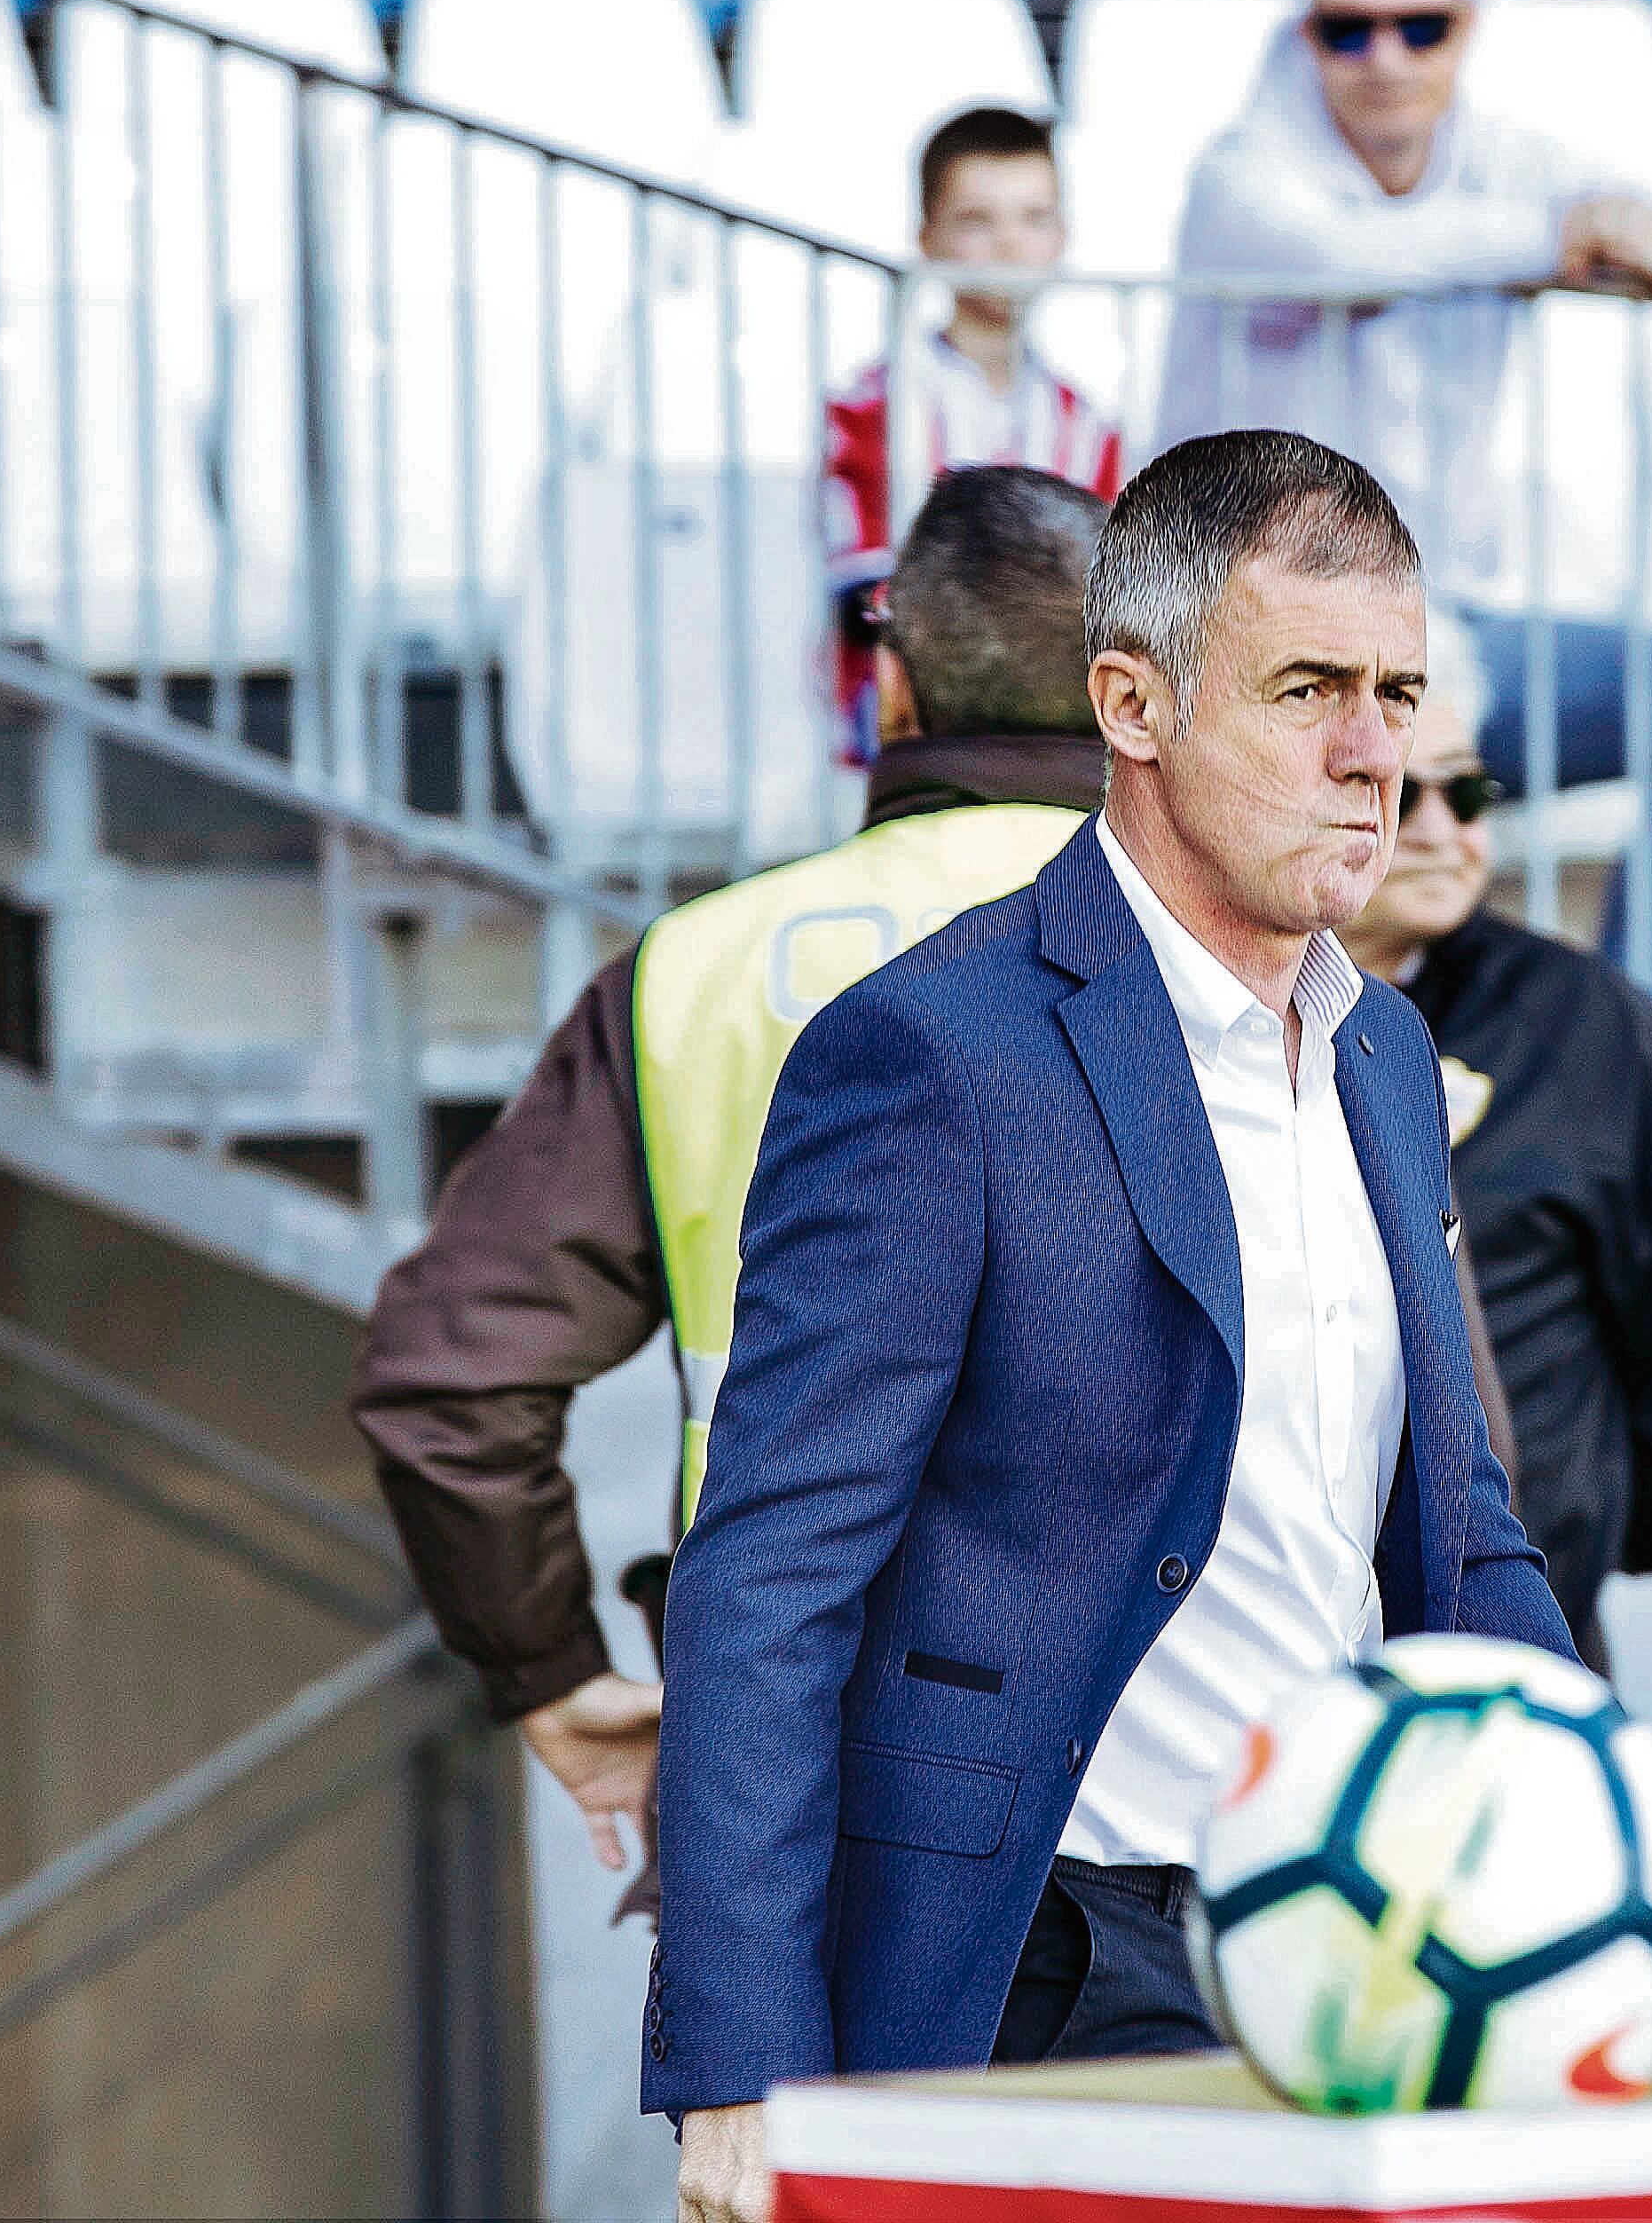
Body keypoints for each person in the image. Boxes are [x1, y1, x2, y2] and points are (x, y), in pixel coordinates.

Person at [648, 432, 1652, 2223]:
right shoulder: (934, 1054)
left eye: (1398, 692)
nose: (1375, 756)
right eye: (1309, 690)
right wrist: (737, 2063)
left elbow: (1467, 1542)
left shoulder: (1385, 1056)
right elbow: (773, 1572)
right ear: (1136, 702)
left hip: (1356, 1967)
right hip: (1042, 1965)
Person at [357, 468, 1121, 1880]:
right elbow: (1450, 1447)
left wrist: (550, 1672)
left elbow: (447, 1377)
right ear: (1141, 691)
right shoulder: (1266, 963)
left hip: (806, 1789)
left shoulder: (692, 973)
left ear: (894, 691)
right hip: (1209, 1795)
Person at [1154, 0, 1652, 997]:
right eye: (1349, 28)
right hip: (1253, 636)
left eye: (1420, 27)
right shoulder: (1238, 170)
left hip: (1452, 622)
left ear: (1467, 29)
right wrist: (1569, 233)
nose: (1384, 58)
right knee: (1381, 795)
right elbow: (1340, 253)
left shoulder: (1505, 157)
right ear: (1307, 34)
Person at [1341, 640, 1652, 1671]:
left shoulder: (1578, 1016)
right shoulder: (1215, 1013)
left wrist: (1584, 1535)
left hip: (1523, 1661)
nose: (1443, 834)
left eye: (1470, 796)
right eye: (1405, 796)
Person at [818, 107, 1129, 768]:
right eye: (977, 220)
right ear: (927, 238)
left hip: (1057, 736)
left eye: (1033, 218)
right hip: (905, 736)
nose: (1010, 244)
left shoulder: (1087, 423)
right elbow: (864, 588)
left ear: (1063, 235)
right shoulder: (869, 406)